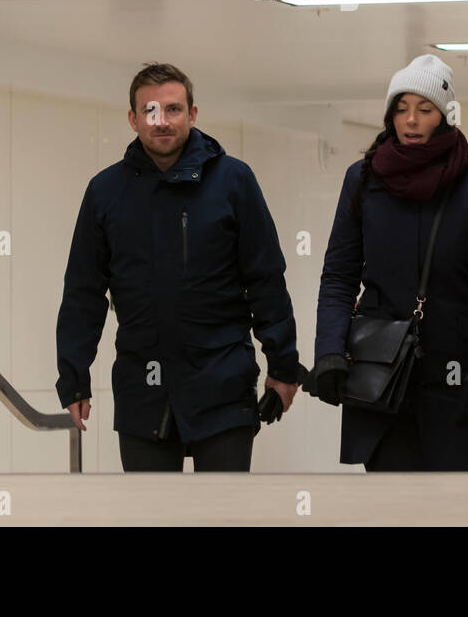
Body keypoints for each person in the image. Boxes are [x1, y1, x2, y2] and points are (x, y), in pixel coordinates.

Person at [55, 62, 304, 471]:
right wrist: (74, 375)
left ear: (192, 113)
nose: (162, 121)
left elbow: (265, 279)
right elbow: (83, 290)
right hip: (143, 387)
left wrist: (283, 365)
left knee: (223, 517)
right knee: (151, 516)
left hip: (223, 384)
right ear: (133, 119)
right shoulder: (106, 192)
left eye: (173, 109)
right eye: (150, 111)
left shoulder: (234, 182)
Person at [309, 54, 468, 470]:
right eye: (401, 109)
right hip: (383, 379)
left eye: (424, 109)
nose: (412, 120)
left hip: (459, 378)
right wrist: (329, 351)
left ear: (444, 115)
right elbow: (338, 276)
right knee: (395, 509)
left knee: (466, 508)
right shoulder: (363, 180)